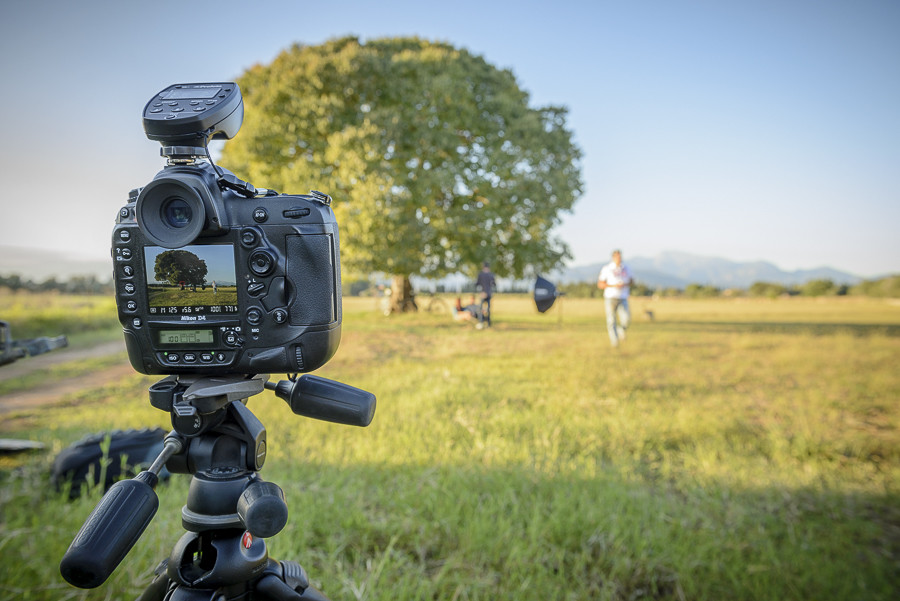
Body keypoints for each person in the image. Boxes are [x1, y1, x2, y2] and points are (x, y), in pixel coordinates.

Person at [597, 249, 633, 347]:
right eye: (617, 257)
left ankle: (621, 330)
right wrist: (613, 286)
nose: (619, 258)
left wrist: (624, 284)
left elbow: (631, 281)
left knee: (626, 319)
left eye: (620, 256)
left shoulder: (626, 268)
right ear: (613, 257)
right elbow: (600, 284)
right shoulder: (607, 268)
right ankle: (614, 341)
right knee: (611, 320)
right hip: (610, 297)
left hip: (623, 297)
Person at [476, 261, 496, 327]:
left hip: (483, 293)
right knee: (488, 309)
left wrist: (482, 292)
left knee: (481, 308)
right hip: (489, 293)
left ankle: (481, 322)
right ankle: (488, 323)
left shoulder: (481, 274)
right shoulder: (491, 275)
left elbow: (477, 284)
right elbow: (494, 284)